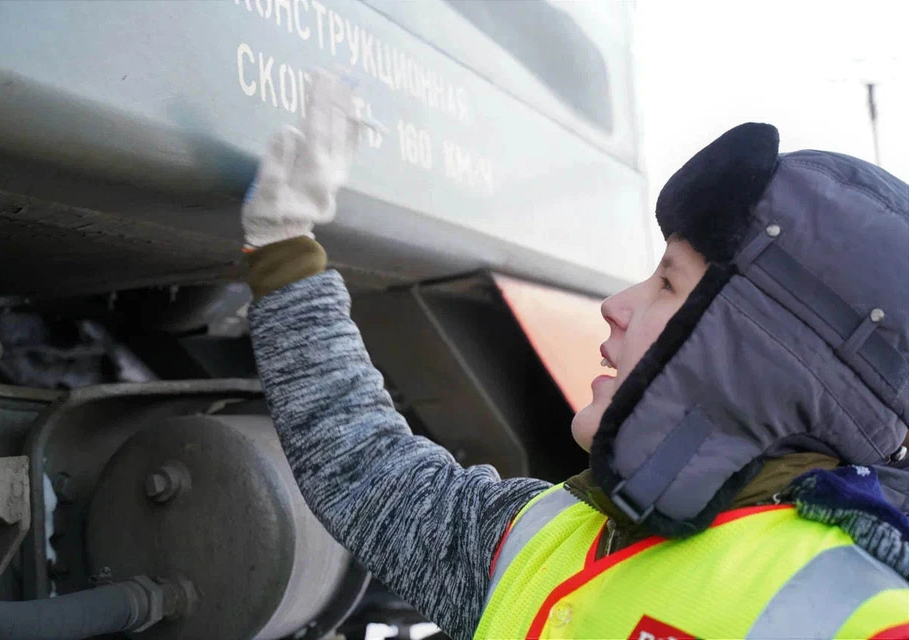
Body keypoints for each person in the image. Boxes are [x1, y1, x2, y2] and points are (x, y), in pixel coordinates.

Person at [242, 73, 909, 639]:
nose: (616, 304)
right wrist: (283, 249)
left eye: (668, 283)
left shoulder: (868, 619)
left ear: (756, 363)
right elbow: (368, 468)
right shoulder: (551, 538)